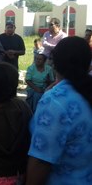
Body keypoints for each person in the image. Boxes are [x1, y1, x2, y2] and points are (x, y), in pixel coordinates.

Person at [26, 36, 92, 185]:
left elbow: (41, 161)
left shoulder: (55, 102)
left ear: (53, 64)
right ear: (89, 66)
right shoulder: (83, 93)